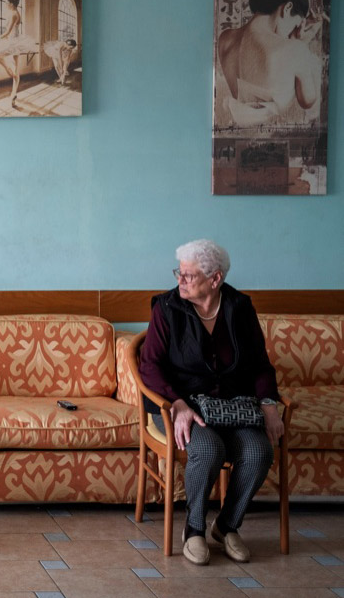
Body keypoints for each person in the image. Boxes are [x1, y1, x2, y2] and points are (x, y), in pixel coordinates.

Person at [138, 239, 282, 566]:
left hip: (232, 408)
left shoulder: (239, 307)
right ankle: (195, 529)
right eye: (180, 273)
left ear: (215, 279)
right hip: (180, 407)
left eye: (189, 275)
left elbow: (260, 363)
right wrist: (177, 403)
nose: (180, 280)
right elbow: (150, 366)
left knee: (260, 451)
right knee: (209, 449)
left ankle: (227, 526)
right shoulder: (167, 308)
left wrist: (269, 403)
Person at [216, 0, 327, 127]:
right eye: (295, 24)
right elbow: (308, 101)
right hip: (267, 130)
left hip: (237, 125)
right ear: (287, 8)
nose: (293, 31)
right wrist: (300, 44)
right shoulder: (295, 49)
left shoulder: (225, 38)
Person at [0, 0, 39, 107]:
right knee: (16, 70)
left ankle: (8, 70)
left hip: (13, 42)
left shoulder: (13, 14)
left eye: (7, 3)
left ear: (11, 4)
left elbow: (8, 32)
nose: (6, 4)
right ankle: (14, 94)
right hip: (14, 41)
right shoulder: (16, 13)